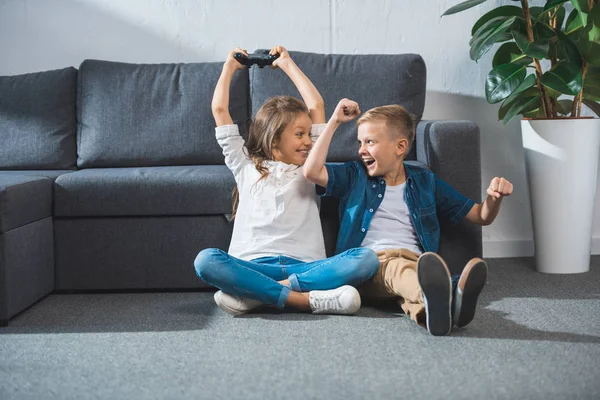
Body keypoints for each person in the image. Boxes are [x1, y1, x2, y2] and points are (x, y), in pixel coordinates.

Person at [194, 47, 379, 316]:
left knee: (366, 259)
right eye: (299, 134)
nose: (307, 141)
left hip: (304, 267)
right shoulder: (244, 165)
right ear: (274, 137)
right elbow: (219, 109)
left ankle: (258, 294)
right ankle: (303, 301)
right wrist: (229, 67)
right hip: (252, 263)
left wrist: (288, 64)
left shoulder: (309, 166)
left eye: (308, 134)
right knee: (206, 260)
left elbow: (316, 106)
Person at [303, 99, 513, 335]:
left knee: (410, 286)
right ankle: (451, 292)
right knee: (398, 270)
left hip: (417, 263)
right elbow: (311, 171)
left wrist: (494, 198)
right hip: (370, 265)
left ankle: (435, 313)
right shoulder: (355, 175)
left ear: (400, 147)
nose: (361, 150)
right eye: (359, 142)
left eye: (370, 142)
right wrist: (334, 122)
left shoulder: (425, 182)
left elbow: (480, 215)